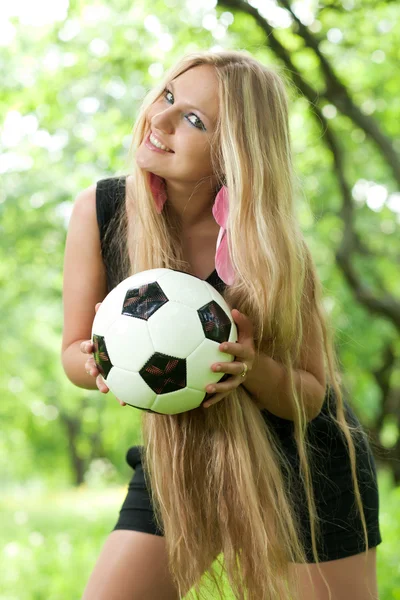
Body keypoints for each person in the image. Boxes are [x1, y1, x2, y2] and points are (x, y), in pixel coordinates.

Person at [61, 50, 382, 600]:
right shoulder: (102, 208)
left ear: (234, 155)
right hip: (181, 454)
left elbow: (310, 397)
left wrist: (250, 367)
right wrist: (100, 363)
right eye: (167, 97)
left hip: (306, 464)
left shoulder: (276, 249)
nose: (159, 121)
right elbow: (72, 352)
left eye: (193, 120)